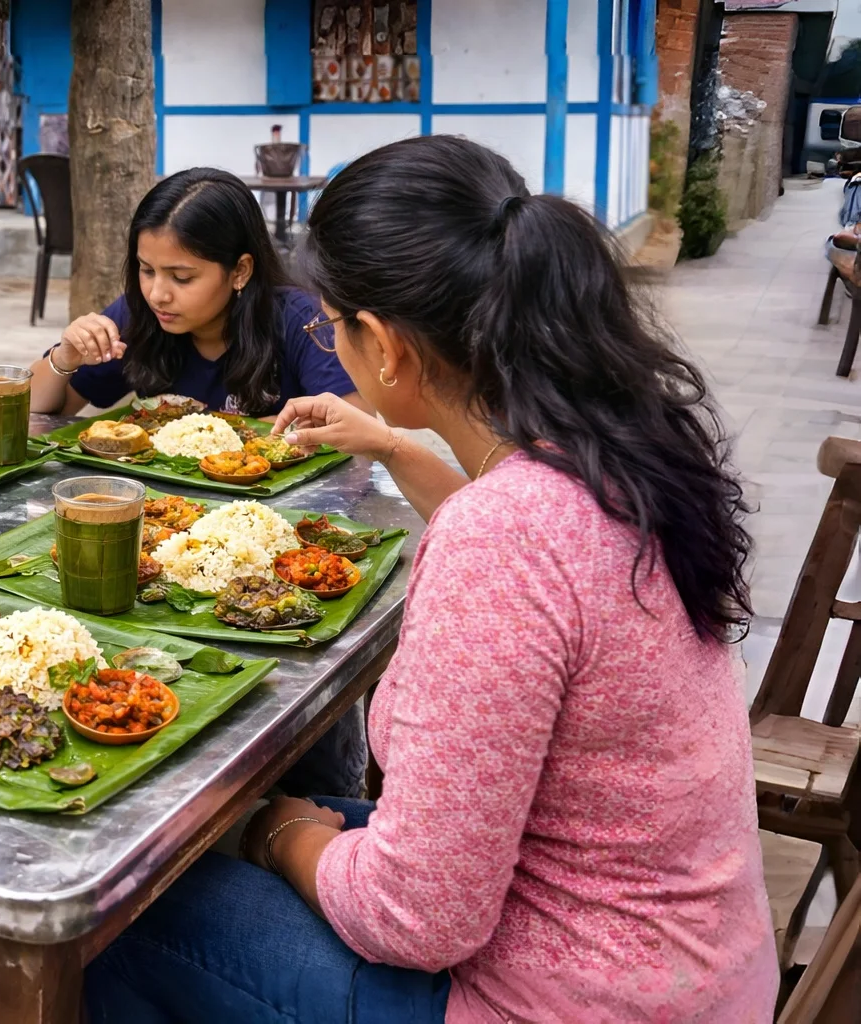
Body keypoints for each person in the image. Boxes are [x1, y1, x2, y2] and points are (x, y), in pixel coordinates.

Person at [84, 135, 774, 1022]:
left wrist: (283, 835)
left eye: (333, 323)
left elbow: (412, 919)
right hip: (682, 960)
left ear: (382, 343)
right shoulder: (610, 457)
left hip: (566, 995)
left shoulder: (504, 537)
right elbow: (514, 550)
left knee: (129, 904)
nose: (328, 339)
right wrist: (391, 442)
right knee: (229, 831)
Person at [28, 166, 365, 418]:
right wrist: (64, 357)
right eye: (146, 270)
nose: (158, 294)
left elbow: (356, 434)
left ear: (240, 271)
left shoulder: (305, 322)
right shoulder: (138, 315)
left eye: (182, 277)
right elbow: (39, 413)